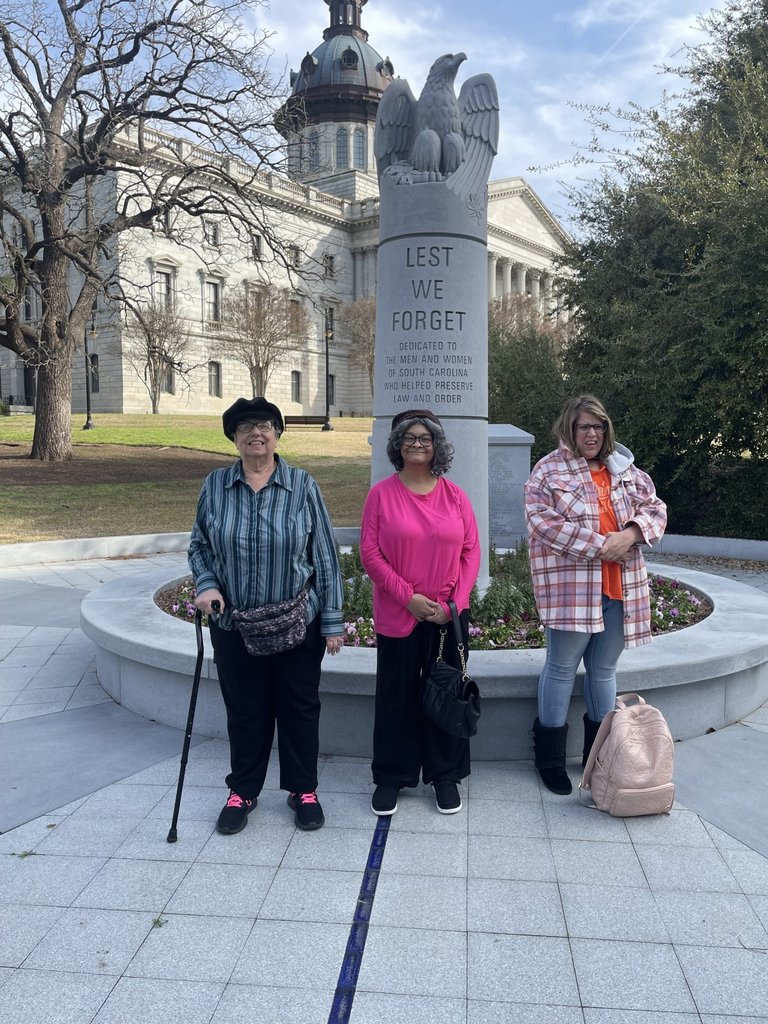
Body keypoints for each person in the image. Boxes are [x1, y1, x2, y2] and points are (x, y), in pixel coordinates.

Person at [188, 397, 344, 834]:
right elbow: (199, 545)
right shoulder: (215, 486)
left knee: (299, 708)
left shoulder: (303, 485)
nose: (256, 433)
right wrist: (207, 585)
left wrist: (331, 621)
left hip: (297, 622)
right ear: (234, 437)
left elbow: (325, 557)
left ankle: (303, 790)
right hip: (235, 623)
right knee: (245, 710)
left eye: (265, 425)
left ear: (277, 433)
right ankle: (243, 790)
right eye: (245, 427)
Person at [524, 394, 667, 795]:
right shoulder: (548, 471)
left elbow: (655, 508)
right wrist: (601, 545)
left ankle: (599, 756)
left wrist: (630, 535)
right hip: (572, 588)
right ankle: (550, 759)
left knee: (604, 670)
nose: (592, 433)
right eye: (584, 426)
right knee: (561, 667)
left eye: (598, 426)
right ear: (569, 427)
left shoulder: (623, 468)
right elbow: (542, 522)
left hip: (619, 588)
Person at [360, 409, 481, 816]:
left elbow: (470, 552)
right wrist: (407, 596)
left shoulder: (456, 497)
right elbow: (371, 554)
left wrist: (455, 605)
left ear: (436, 447)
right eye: (409, 438)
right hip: (400, 613)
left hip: (446, 618)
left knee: (445, 693)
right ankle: (392, 776)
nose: (416, 444)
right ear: (397, 446)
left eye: (424, 438)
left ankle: (445, 776)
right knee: (396, 697)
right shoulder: (381, 495)